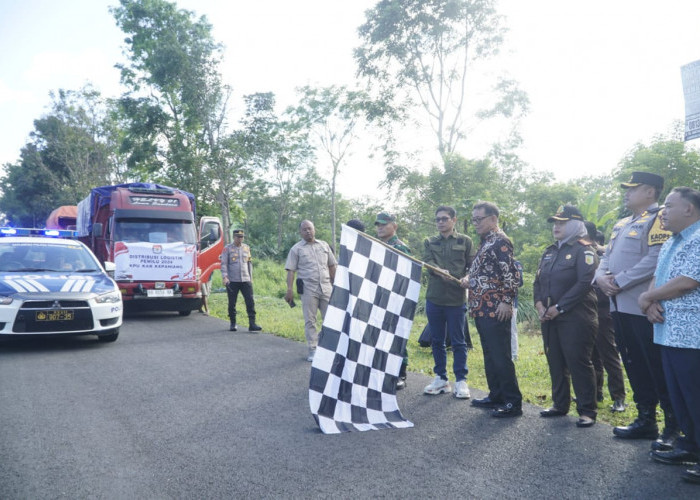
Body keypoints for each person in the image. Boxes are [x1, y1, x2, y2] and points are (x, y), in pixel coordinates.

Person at [594, 171, 678, 448]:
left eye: (633, 188)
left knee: (655, 365)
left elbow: (657, 258)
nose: (626, 193)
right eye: (626, 188)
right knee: (633, 362)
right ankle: (645, 419)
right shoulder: (621, 223)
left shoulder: (660, 219)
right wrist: (601, 277)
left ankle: (672, 426)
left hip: (643, 306)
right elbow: (605, 257)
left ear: (651, 192)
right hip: (618, 306)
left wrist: (619, 280)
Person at [639, 187, 700, 484]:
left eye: (669, 205)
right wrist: (650, 300)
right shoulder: (671, 241)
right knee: (680, 397)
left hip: (692, 336)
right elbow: (659, 276)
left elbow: (687, 281)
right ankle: (690, 446)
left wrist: (647, 297)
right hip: (667, 331)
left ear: (689, 209)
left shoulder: (699, 238)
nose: (663, 211)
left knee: (696, 396)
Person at [534, 205, 599, 427]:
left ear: (575, 224)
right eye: (555, 222)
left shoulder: (585, 250)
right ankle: (559, 404)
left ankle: (587, 410)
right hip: (549, 317)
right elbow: (539, 280)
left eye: (562, 222)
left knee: (578, 362)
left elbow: (584, 283)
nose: (556, 226)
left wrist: (559, 308)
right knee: (555, 361)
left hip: (576, 318)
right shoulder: (550, 251)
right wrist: (539, 304)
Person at [468, 201, 523, 418]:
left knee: (501, 356)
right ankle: (496, 395)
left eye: (479, 219)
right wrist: (469, 279)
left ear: (493, 219)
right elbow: (487, 273)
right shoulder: (486, 242)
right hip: (481, 307)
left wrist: (507, 301)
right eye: (473, 220)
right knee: (490, 355)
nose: (475, 224)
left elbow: (511, 275)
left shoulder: (500, 241)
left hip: (495, 308)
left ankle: (512, 402)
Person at [421, 206, 475, 399]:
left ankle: (461, 380)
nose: (441, 222)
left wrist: (468, 277)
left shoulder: (465, 241)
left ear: (454, 220)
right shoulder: (429, 241)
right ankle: (441, 378)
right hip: (435, 298)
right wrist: (438, 270)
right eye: (438, 220)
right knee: (437, 340)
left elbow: (472, 265)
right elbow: (427, 261)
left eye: (444, 219)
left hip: (456, 299)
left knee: (459, 341)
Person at [585, 221, 626, 412]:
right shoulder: (579, 252)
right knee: (591, 354)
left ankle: (619, 397)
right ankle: (596, 392)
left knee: (608, 353)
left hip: (603, 309)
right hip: (587, 309)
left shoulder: (603, 254)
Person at [285, 220, 337, 362]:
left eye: (310, 229)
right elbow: (291, 271)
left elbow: (332, 265)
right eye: (304, 229)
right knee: (310, 320)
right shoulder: (296, 249)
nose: (308, 231)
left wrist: (336, 284)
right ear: (300, 232)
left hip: (326, 287)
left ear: (314, 230)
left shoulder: (324, 245)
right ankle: (313, 349)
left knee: (331, 319)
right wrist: (289, 290)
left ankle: (323, 343)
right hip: (309, 289)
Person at [374, 211, 412, 390]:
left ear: (394, 226)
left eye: (384, 224)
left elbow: (406, 277)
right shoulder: (376, 245)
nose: (380, 227)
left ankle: (401, 373)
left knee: (397, 335)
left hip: (396, 298)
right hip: (379, 296)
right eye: (378, 224)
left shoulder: (400, 247)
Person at [220, 229, 262, 332]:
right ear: (234, 237)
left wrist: (250, 277)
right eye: (238, 237)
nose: (240, 239)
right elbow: (224, 263)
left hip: (245, 279)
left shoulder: (246, 248)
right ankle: (233, 323)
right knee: (232, 303)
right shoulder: (227, 249)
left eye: (242, 237)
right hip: (232, 280)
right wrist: (225, 277)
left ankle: (252, 324)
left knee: (250, 301)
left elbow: (249, 263)